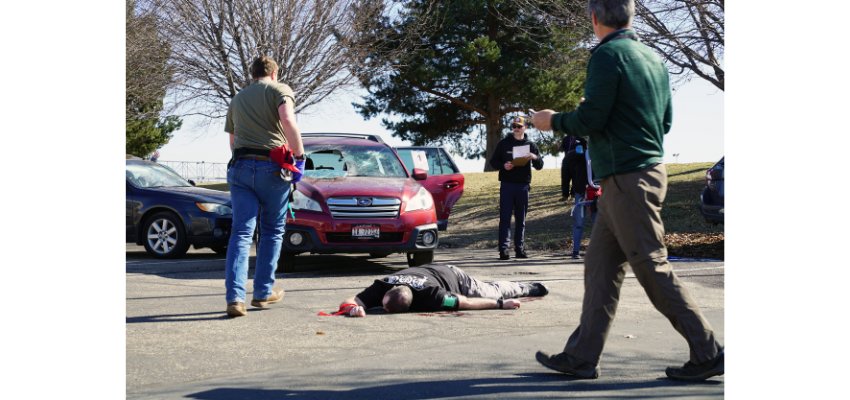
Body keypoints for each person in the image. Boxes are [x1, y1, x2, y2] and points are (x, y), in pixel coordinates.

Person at [530, 0, 723, 381]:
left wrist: (552, 121)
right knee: (600, 268)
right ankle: (582, 356)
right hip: (641, 173)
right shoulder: (652, 59)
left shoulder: (607, 56)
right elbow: (664, 121)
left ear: (594, 18)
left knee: (651, 265)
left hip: (626, 178)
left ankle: (708, 351)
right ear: (631, 16)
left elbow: (591, 119)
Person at [223, 56, 305, 318]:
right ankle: (262, 292)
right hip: (271, 168)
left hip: (241, 167)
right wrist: (300, 157)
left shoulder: (237, 99)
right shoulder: (280, 89)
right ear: (274, 72)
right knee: (271, 231)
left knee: (241, 234)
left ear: (253, 73)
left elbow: (233, 141)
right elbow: (288, 120)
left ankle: (235, 299)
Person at [338, 263, 549, 317]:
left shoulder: (434, 296)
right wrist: (352, 308)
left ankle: (525, 287)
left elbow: (465, 302)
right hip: (429, 271)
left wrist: (501, 304)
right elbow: (351, 299)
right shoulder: (383, 285)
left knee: (490, 291)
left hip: (454, 277)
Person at [488, 116, 544, 260]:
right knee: (505, 218)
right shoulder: (504, 143)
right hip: (507, 185)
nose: (516, 129)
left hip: (523, 186)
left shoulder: (531, 144)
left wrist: (534, 157)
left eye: (519, 126)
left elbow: (540, 165)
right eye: (514, 126)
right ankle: (504, 250)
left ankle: (520, 249)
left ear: (525, 127)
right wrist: (503, 166)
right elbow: (493, 161)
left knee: (521, 219)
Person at [565, 138, 597, 259]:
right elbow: (571, 169)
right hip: (580, 191)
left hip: (596, 192)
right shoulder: (577, 150)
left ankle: (598, 252)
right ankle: (575, 251)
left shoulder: (600, 150)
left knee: (597, 223)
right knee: (579, 222)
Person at [559, 135, 586, 201]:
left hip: (577, 162)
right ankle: (565, 195)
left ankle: (573, 194)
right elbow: (562, 148)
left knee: (576, 179)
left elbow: (584, 150)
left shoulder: (581, 139)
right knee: (565, 179)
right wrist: (559, 146)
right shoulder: (565, 139)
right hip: (566, 161)